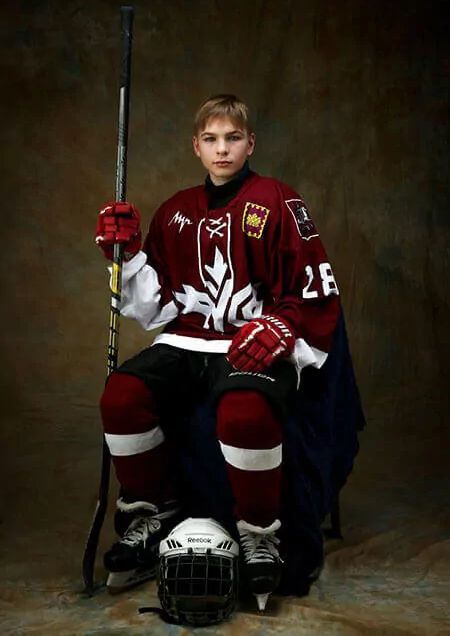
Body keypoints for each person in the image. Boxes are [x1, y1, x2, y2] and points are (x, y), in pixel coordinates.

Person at [94, 94, 364, 602]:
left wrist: (283, 329)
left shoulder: (278, 200)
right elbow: (157, 309)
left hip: (250, 343)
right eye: (212, 140)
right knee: (121, 397)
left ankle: (261, 536)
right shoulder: (175, 210)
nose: (223, 150)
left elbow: (315, 286)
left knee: (244, 412)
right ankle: (152, 513)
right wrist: (126, 255)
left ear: (250, 143)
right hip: (187, 340)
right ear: (196, 147)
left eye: (233, 138)